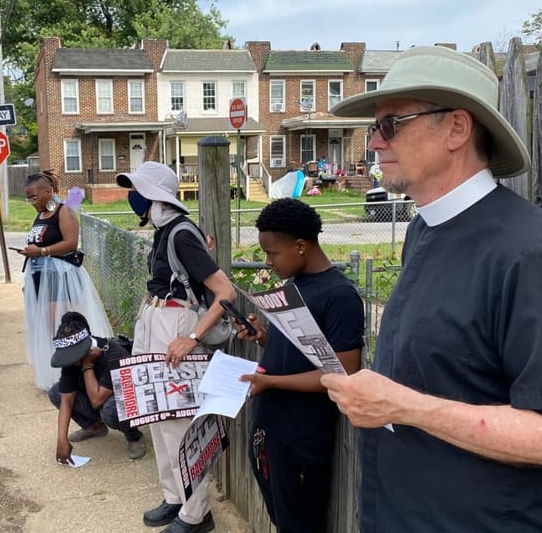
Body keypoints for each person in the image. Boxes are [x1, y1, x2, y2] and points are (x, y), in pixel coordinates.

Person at [321, 45, 542, 532]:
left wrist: (404, 406)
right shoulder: (422, 230)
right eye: (374, 128)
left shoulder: (527, 252)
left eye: (391, 125)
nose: (374, 143)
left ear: (456, 128)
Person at [115, 161, 236, 533]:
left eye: (138, 191)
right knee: (157, 416)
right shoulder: (166, 230)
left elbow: (225, 291)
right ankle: (174, 497)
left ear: (155, 196)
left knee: (181, 423)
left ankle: (196, 514)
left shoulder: (180, 233)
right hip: (155, 320)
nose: (133, 198)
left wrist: (193, 336)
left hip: (176, 324)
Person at [234, 198, 364, 533]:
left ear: (301, 246)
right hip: (270, 429)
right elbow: (304, 351)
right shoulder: (295, 284)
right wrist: (263, 337)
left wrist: (272, 382)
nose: (268, 261)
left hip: (301, 440)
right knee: (281, 519)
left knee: (299, 525)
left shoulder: (339, 296)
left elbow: (342, 374)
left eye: (273, 253)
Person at [18, 170, 113, 391]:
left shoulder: (64, 211)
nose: (31, 202)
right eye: (28, 198)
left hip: (61, 281)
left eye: (34, 197)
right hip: (41, 280)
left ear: (47, 192)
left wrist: (41, 251)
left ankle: (78, 376)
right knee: (48, 329)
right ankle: (59, 376)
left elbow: (70, 243)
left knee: (63, 330)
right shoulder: (41, 215)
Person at [47, 311, 146, 463]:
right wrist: (61, 440)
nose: (71, 361)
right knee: (56, 392)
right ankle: (94, 427)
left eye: (73, 356)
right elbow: (66, 400)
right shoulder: (73, 359)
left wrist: (87, 365)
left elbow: (96, 400)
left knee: (110, 410)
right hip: (97, 396)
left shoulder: (113, 353)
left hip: (126, 403)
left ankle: (134, 436)